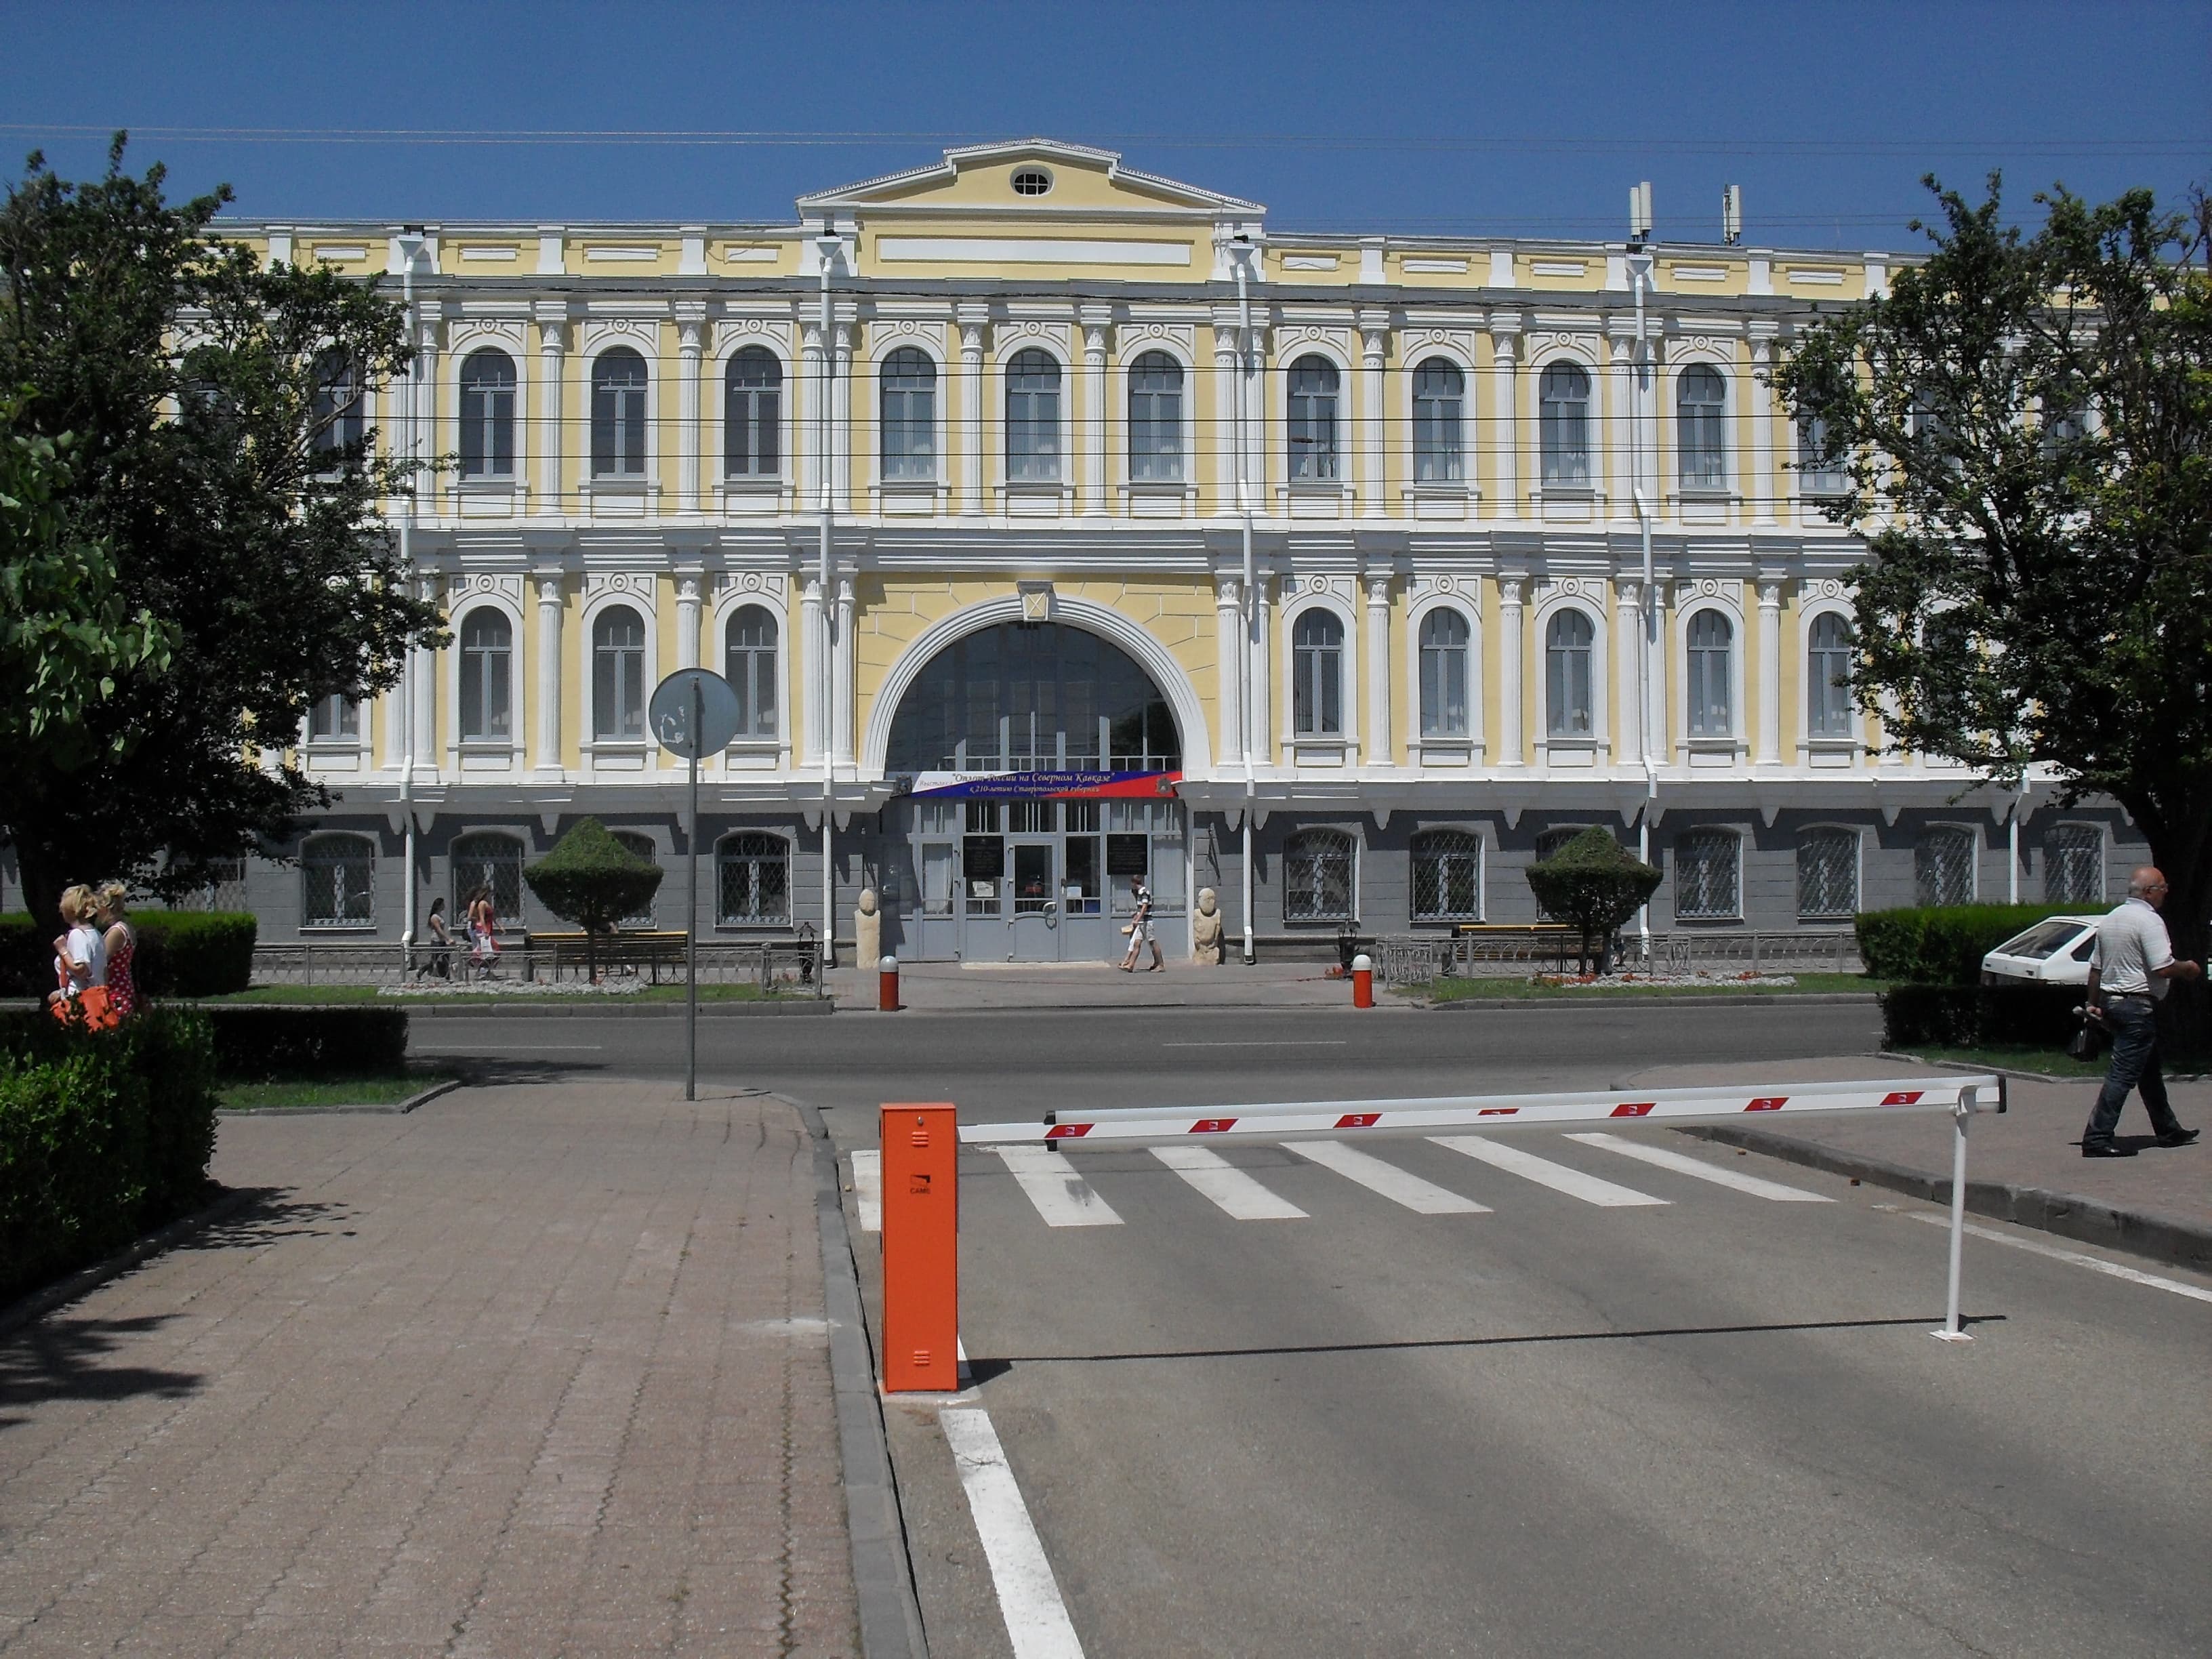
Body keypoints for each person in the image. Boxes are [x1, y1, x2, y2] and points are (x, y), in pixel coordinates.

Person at [2081, 865, 2202, 1158]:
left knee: (2148, 1073)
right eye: (2162, 887)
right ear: (2149, 892)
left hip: (2113, 1003)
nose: (2166, 892)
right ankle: (2097, 1138)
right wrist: (2187, 969)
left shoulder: (2112, 919)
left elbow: (2096, 969)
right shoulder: (2149, 921)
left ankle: (2169, 1130)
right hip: (2137, 1008)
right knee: (2122, 1075)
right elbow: (2162, 966)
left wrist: (2092, 1003)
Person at [95, 881, 139, 1019]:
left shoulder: (116, 932)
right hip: (124, 988)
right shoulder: (126, 927)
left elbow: (101, 963)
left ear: (106, 907)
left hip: (115, 992)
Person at [1118, 873, 1164, 973]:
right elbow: (1140, 908)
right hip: (1142, 922)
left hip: (1147, 922)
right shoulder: (1139, 893)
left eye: (1132, 884)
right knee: (1137, 943)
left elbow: (1144, 907)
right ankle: (1130, 965)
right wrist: (1137, 915)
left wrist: (1137, 918)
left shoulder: (1144, 892)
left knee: (1152, 942)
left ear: (1134, 883)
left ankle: (1160, 964)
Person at [466, 886, 501, 980]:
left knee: (486, 950)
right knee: (489, 950)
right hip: (480, 929)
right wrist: (484, 928)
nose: (491, 896)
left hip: (486, 928)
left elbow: (493, 917)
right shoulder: (481, 903)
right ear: (486, 893)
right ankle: (470, 963)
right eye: (490, 894)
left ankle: (484, 970)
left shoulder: (487, 904)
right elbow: (480, 917)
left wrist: (500, 926)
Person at [417, 895, 453, 981]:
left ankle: (448, 978)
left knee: (446, 959)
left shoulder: (439, 916)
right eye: (443, 904)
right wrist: (448, 939)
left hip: (442, 941)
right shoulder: (434, 917)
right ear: (439, 905)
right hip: (436, 941)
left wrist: (446, 940)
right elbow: (438, 929)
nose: (444, 906)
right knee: (434, 961)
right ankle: (421, 971)